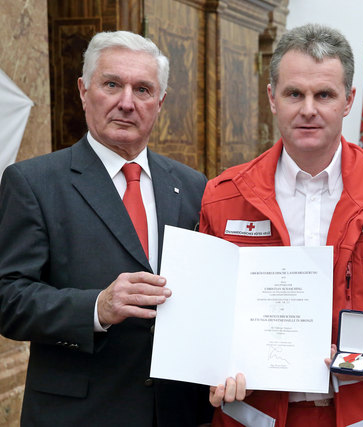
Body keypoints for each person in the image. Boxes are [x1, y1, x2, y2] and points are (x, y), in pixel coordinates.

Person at [199, 23, 363, 427]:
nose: (308, 109)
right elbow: (204, 308)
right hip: (256, 414)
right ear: (272, 97)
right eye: (294, 94)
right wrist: (210, 367)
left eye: (324, 95)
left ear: (348, 100)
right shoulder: (224, 195)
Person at [0, 31, 212, 426]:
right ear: (84, 91)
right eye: (112, 84)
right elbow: (8, 299)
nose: (127, 103)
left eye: (143, 89)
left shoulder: (193, 185)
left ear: (160, 103)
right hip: (79, 413)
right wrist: (96, 307)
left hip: (177, 411)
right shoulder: (33, 182)